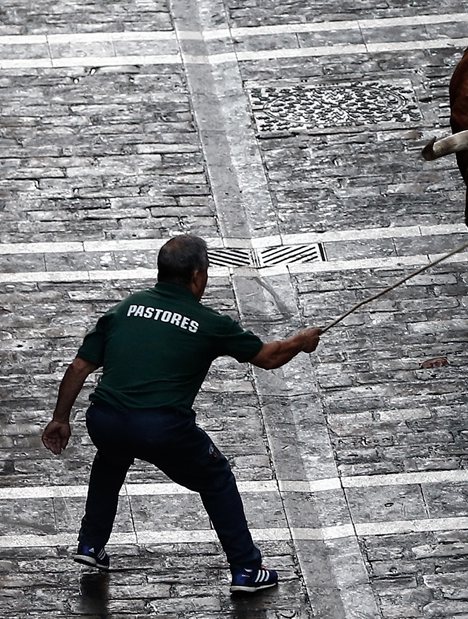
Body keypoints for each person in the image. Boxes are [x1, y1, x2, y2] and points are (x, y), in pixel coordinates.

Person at [42, 234, 321, 593]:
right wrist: (301, 341)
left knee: (112, 456)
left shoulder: (124, 309)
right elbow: (268, 357)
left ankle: (90, 545)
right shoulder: (209, 322)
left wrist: (60, 419)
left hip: (105, 419)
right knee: (216, 475)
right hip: (162, 427)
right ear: (197, 276)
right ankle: (247, 569)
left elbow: (80, 366)